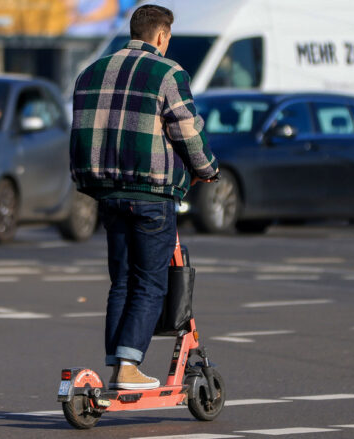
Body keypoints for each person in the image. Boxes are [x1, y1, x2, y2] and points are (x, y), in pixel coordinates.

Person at [69, 4, 218, 390]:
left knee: (121, 281)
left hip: (108, 192)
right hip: (152, 193)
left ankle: (116, 363)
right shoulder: (168, 73)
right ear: (161, 36)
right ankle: (128, 366)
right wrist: (207, 169)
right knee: (150, 282)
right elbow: (186, 130)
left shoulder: (91, 72)